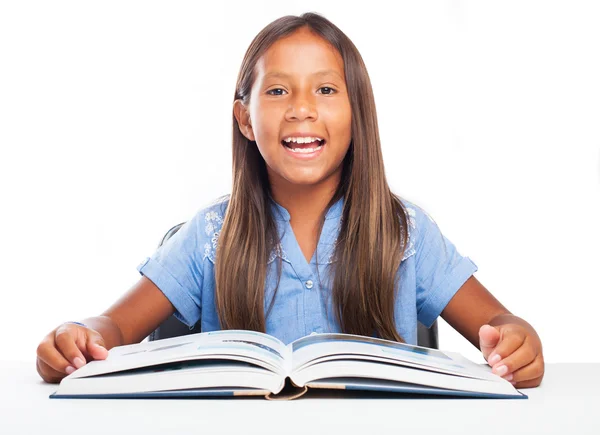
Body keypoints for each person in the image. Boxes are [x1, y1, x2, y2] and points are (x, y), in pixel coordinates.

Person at [36, 12, 544, 388]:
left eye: (326, 89)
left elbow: (500, 324)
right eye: (278, 92)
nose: (302, 109)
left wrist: (517, 338)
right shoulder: (211, 233)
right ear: (244, 120)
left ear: (357, 113)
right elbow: (114, 327)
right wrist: (76, 336)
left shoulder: (404, 231)